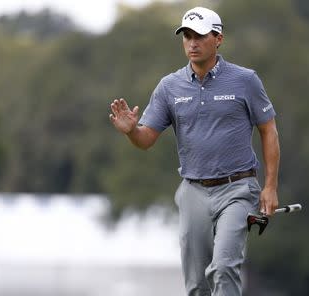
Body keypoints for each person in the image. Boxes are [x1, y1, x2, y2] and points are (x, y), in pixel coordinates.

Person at [109, 6, 279, 296]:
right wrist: (131, 132)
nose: (192, 43)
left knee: (224, 268)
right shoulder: (169, 87)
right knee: (197, 284)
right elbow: (146, 139)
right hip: (193, 192)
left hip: (237, 189)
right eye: (187, 36)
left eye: (199, 36)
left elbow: (269, 130)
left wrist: (270, 187)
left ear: (218, 38)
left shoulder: (245, 80)